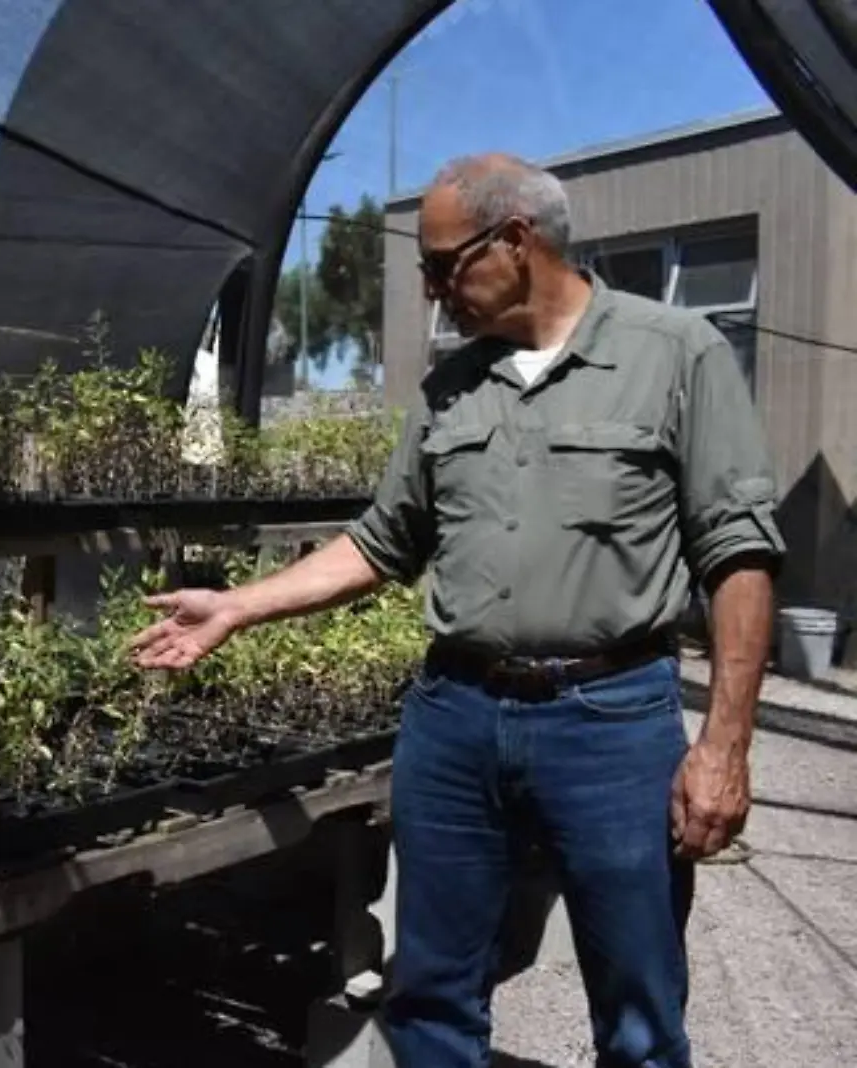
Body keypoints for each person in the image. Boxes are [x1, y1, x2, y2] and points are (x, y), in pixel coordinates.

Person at [129, 152, 782, 1068]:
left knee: (638, 1010)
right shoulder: (451, 389)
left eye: (442, 266)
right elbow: (382, 541)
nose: (434, 293)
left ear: (517, 242)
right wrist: (237, 607)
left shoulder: (676, 354)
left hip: (611, 725)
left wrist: (725, 747)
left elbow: (739, 554)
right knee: (433, 997)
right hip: (455, 721)